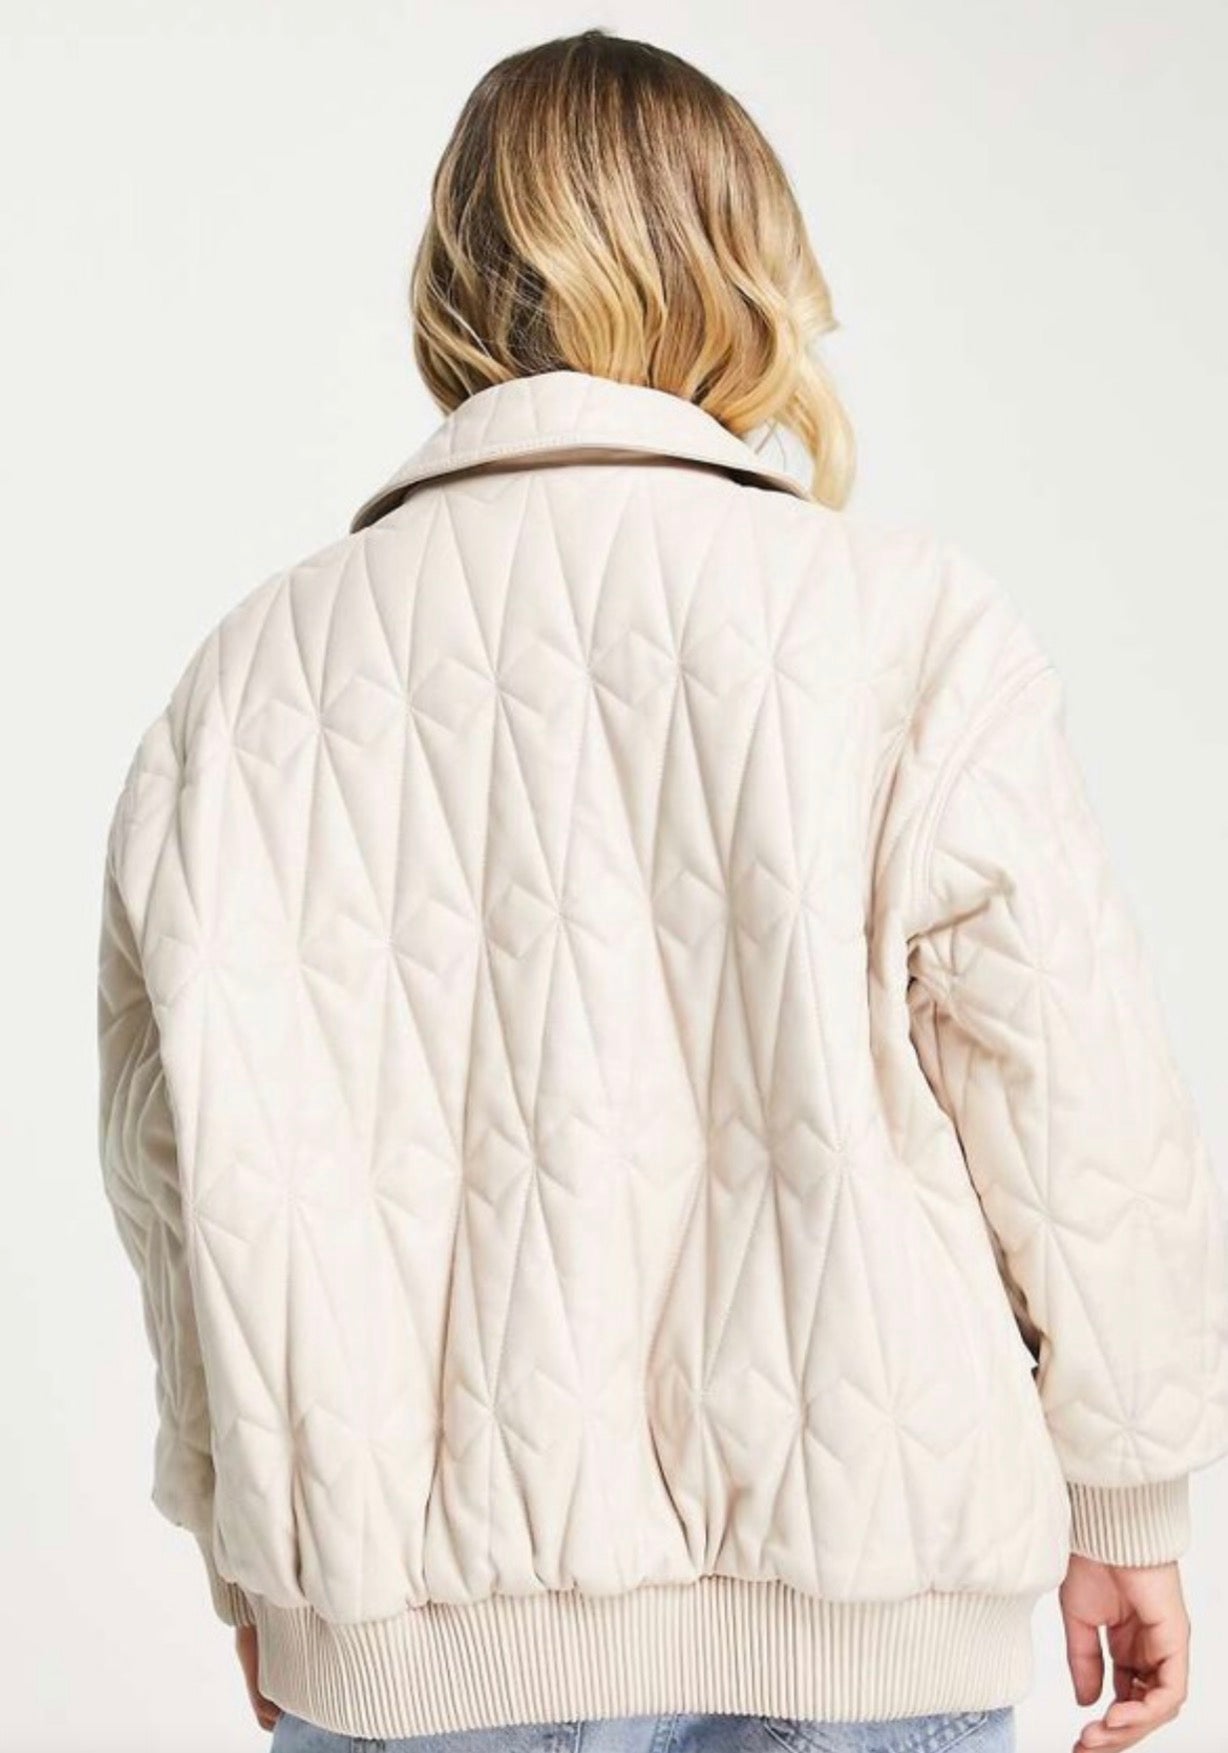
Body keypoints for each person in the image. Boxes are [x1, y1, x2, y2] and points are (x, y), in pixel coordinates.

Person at [95, 27, 1228, 1753]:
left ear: (459, 279)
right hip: (862, 1612)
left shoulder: (244, 690)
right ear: (741, 264)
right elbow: (1074, 1084)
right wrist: (1128, 1494)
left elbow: (173, 1173)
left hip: (407, 1642)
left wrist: (262, 1562)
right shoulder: (904, 628)